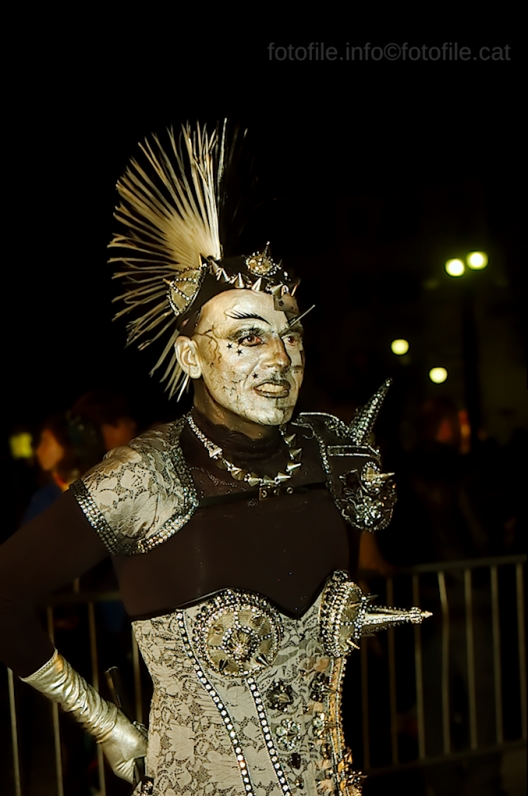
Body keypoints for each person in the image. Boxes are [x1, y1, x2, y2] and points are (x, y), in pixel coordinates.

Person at [0, 123, 428, 795]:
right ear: (190, 354)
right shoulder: (141, 478)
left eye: (292, 336)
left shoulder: (329, 454)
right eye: (248, 338)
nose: (279, 360)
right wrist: (103, 721)